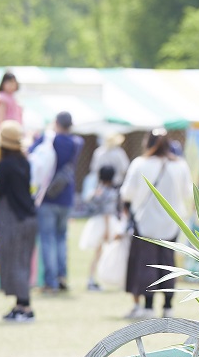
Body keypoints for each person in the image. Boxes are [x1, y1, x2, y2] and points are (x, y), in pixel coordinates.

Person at [120, 129, 193, 320]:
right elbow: (188, 193)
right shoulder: (180, 165)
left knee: (146, 263)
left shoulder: (140, 163)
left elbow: (127, 192)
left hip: (146, 222)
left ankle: (148, 306)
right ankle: (168, 306)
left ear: (147, 143)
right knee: (169, 264)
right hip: (172, 222)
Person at [0, 120, 39, 322]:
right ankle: (20, 305)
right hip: (30, 217)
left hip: (14, 219)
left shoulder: (4, 165)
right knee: (23, 262)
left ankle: (25, 307)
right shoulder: (24, 162)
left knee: (15, 263)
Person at [31, 111, 82, 293]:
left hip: (47, 195)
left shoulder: (49, 139)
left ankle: (50, 282)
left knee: (47, 239)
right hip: (66, 196)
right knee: (61, 238)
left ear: (57, 123)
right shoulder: (77, 142)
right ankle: (62, 277)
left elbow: (32, 153)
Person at [80, 166, 121, 291]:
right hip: (106, 223)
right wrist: (108, 230)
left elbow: (89, 203)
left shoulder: (97, 191)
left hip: (97, 222)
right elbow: (107, 213)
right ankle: (94, 279)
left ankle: (92, 279)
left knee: (98, 253)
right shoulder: (111, 193)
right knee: (105, 253)